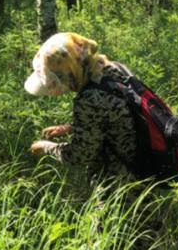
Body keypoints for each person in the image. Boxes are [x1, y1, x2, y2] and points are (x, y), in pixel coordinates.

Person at [25, 32, 138, 184]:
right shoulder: (111, 68)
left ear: (69, 71)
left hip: (122, 182)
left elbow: (81, 155)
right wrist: (71, 128)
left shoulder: (89, 99)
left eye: (57, 79)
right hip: (143, 164)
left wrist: (46, 147)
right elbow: (115, 115)